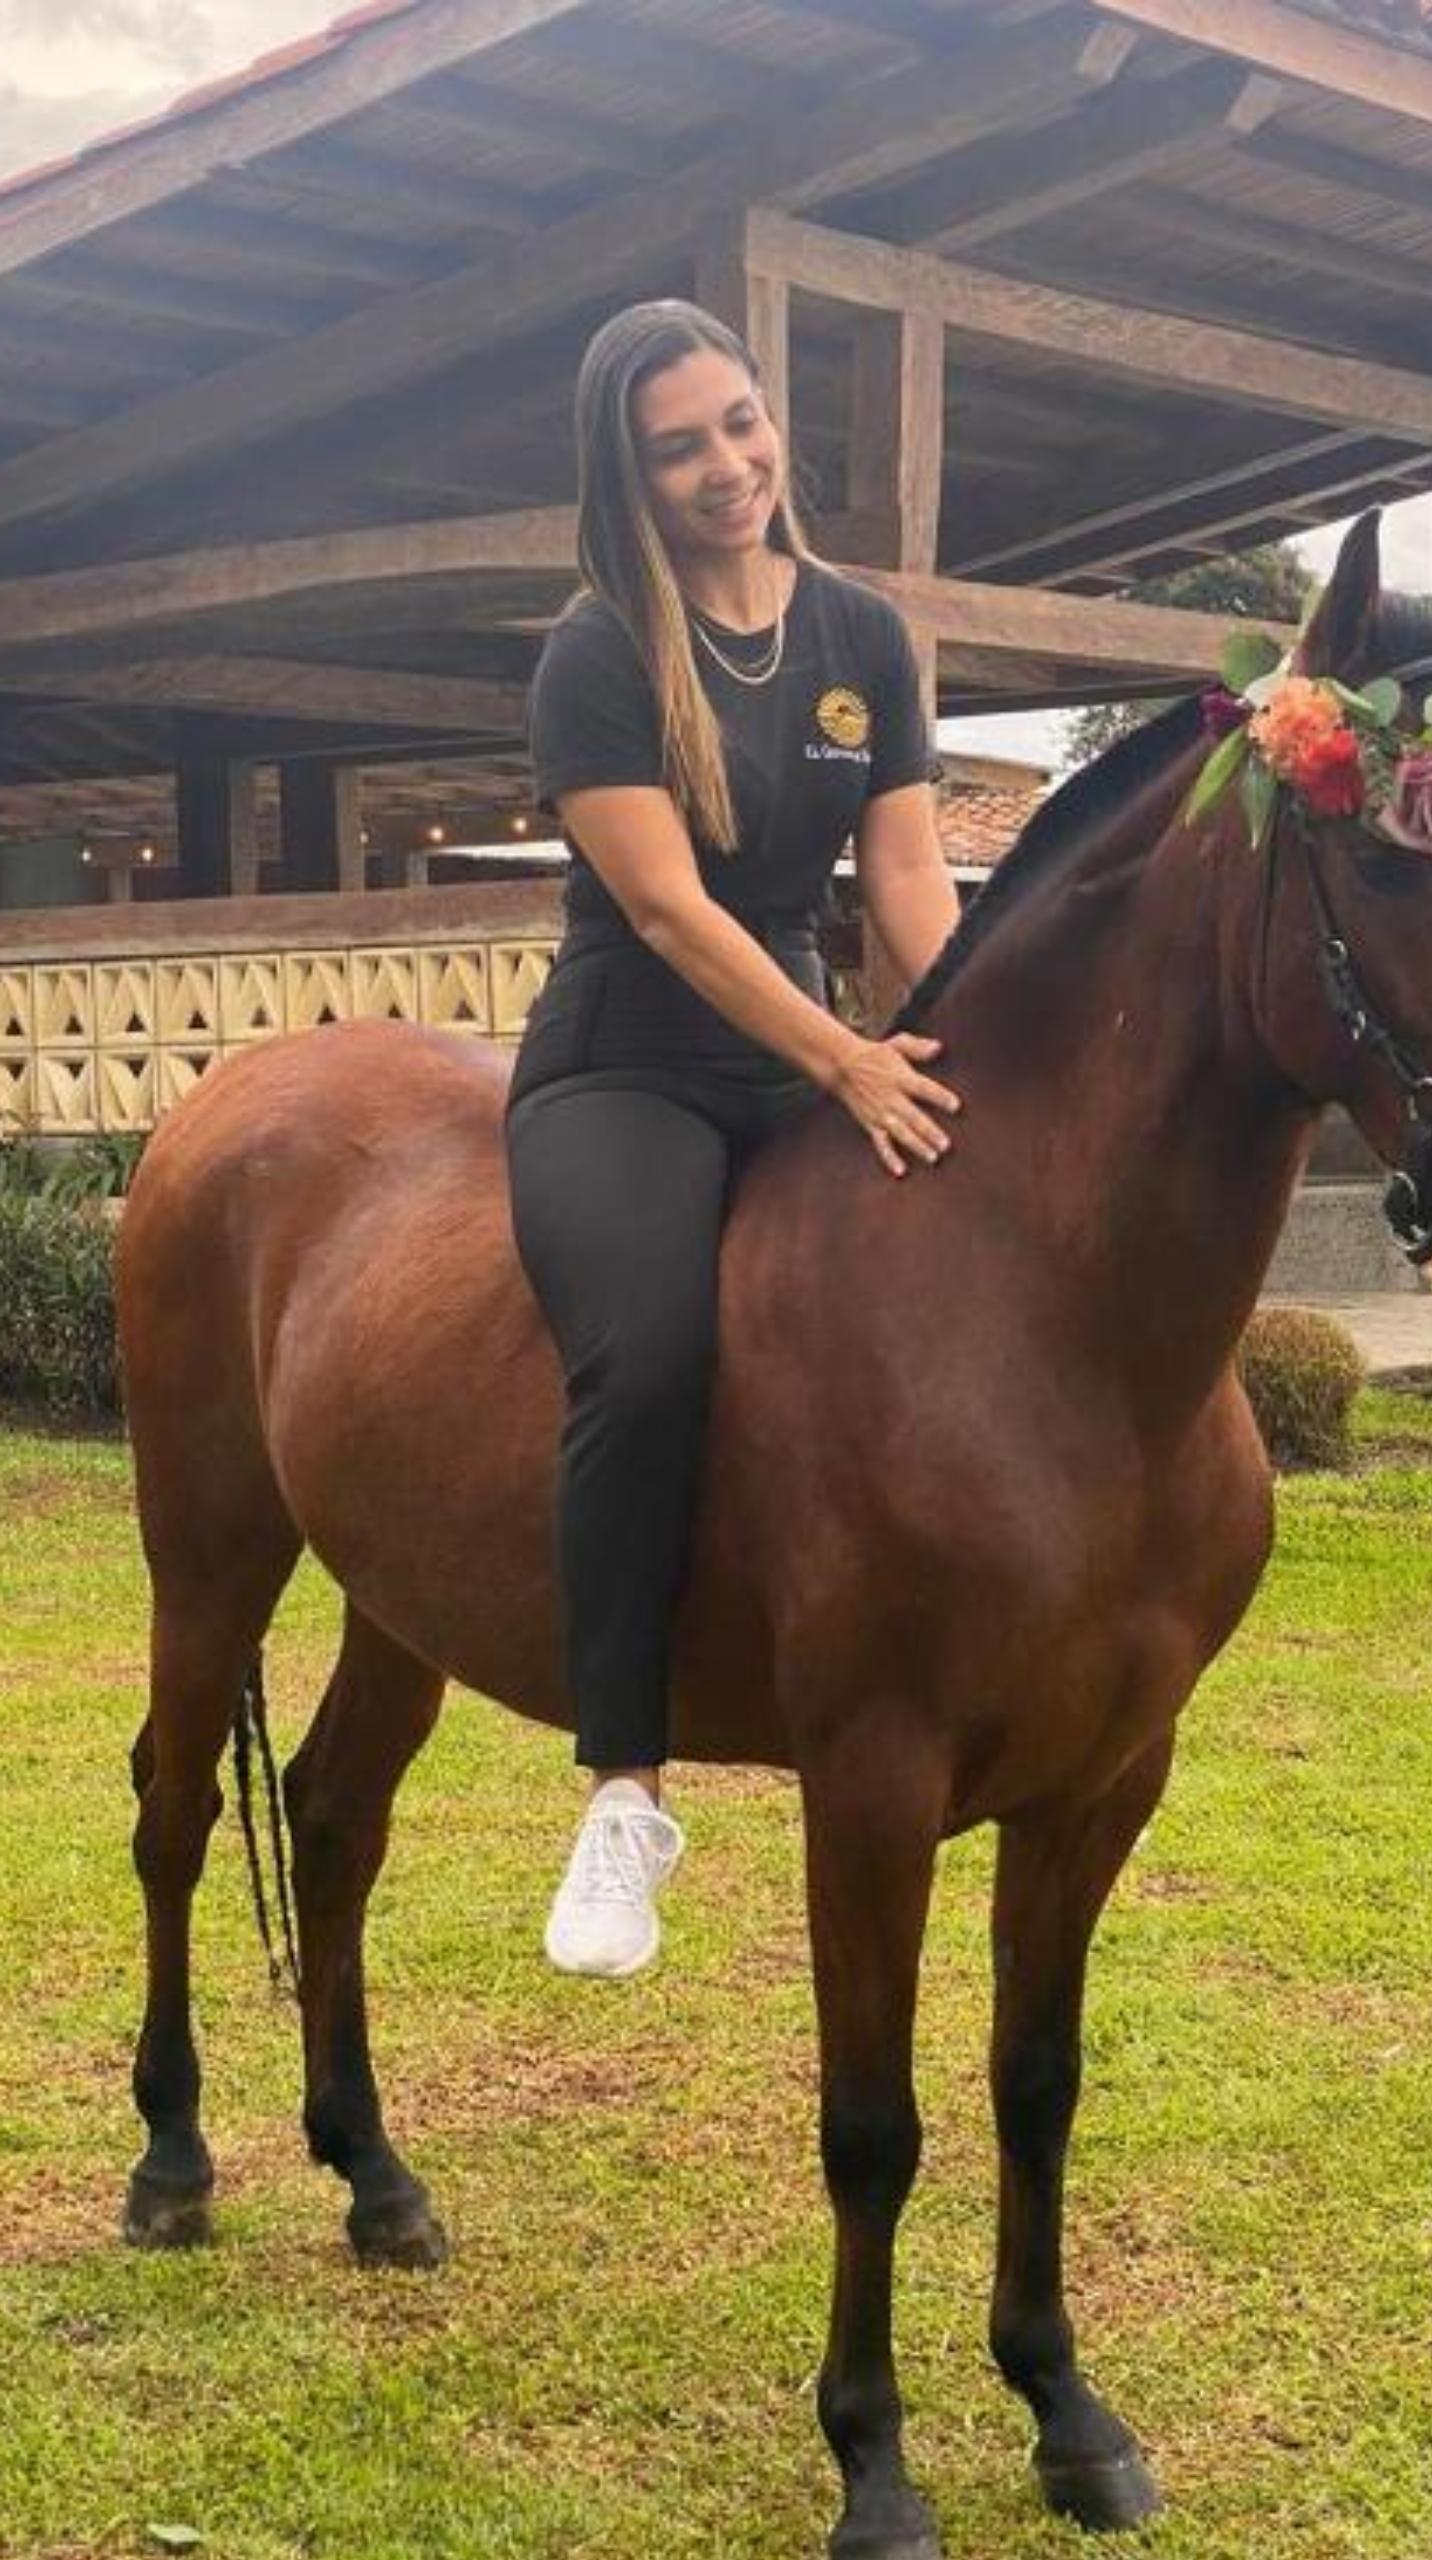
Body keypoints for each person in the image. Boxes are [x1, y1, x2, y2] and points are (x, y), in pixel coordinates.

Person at [506, 298, 964, 1979]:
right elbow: (667, 909)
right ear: (625, 473)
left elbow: (905, 885)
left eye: (742, 422)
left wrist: (975, 1038)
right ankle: (624, 1787)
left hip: (804, 1050)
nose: (729, 465)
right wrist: (844, 1058)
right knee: (645, 1355)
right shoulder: (602, 647)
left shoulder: (858, 631)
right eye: (680, 444)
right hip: (626, 1060)